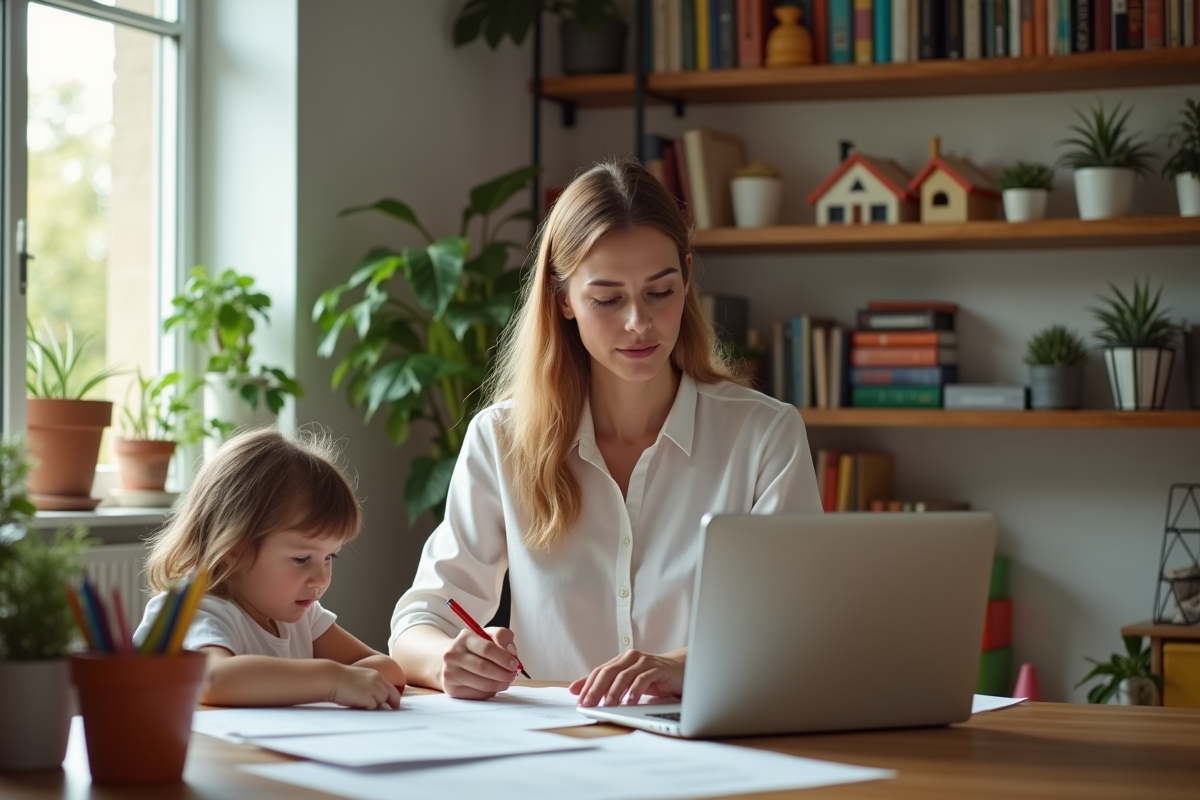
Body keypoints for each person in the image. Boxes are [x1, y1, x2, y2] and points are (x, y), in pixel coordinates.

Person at [389, 158, 821, 707]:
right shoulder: (502, 438)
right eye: (608, 298)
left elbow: (794, 625)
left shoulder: (764, 435)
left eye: (660, 292)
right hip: (552, 761)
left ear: (687, 278)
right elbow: (421, 617)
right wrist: (446, 660)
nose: (638, 323)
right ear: (563, 299)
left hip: (709, 753)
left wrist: (680, 666)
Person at [136, 427, 405, 709]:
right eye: (302, 559)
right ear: (234, 550)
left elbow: (389, 670)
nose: (321, 579)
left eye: (329, 557)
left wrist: (348, 678)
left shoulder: (304, 618)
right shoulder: (193, 612)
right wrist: (332, 679)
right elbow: (213, 679)